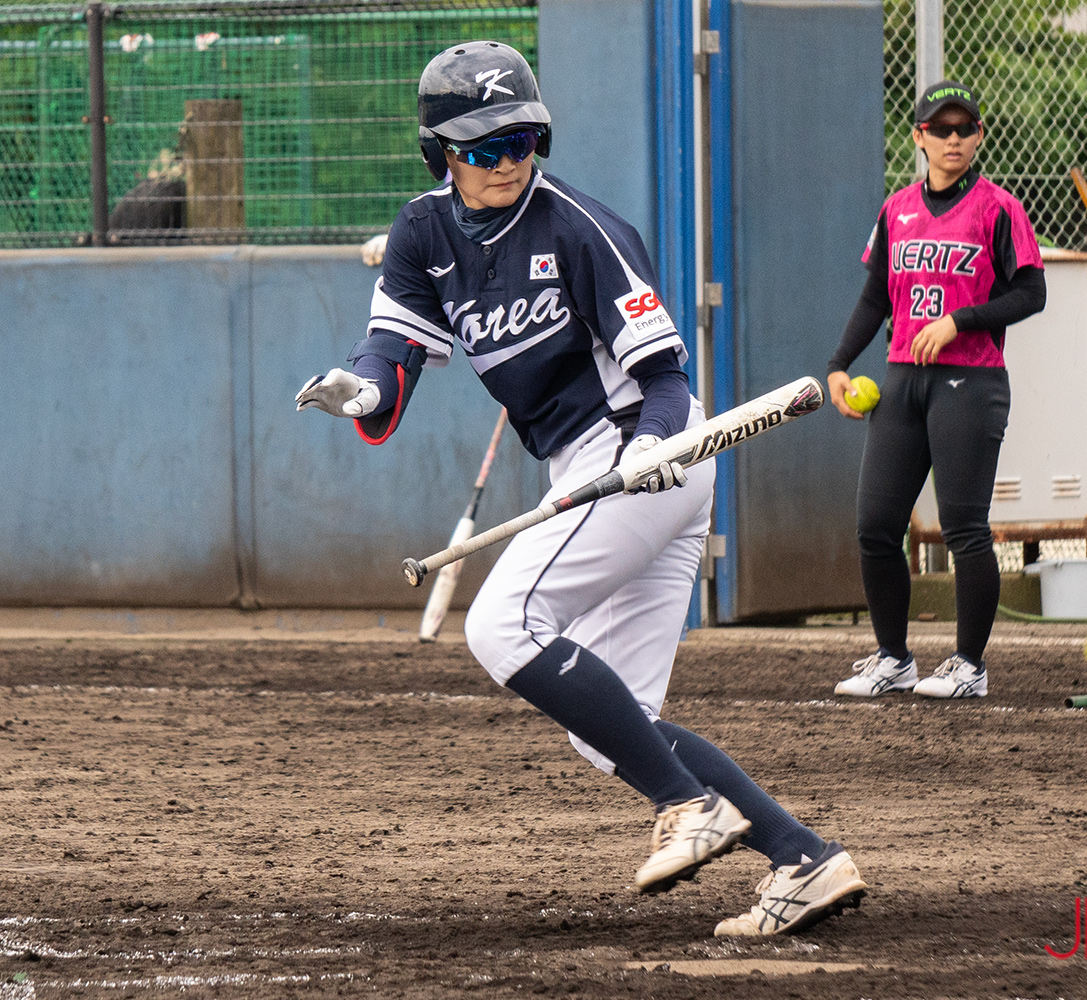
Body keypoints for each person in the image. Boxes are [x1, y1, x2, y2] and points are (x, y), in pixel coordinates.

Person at [294, 41, 865, 936]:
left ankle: (691, 805)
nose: (508, 162)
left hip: (651, 455)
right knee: (610, 731)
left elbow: (668, 379)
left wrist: (644, 448)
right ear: (440, 151)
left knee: (499, 624)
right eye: (484, 148)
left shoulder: (580, 228)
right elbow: (393, 362)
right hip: (593, 471)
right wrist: (360, 390)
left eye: (523, 141)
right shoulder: (421, 235)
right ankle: (805, 858)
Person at [826, 80, 1046, 700]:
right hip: (901, 377)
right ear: (919, 136)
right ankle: (894, 659)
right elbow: (876, 296)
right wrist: (840, 363)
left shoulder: (998, 208)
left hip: (970, 380)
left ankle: (969, 665)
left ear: (979, 136)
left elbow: (1032, 294)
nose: (953, 139)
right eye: (940, 129)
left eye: (964, 129)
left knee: (964, 527)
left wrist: (958, 319)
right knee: (875, 525)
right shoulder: (895, 211)